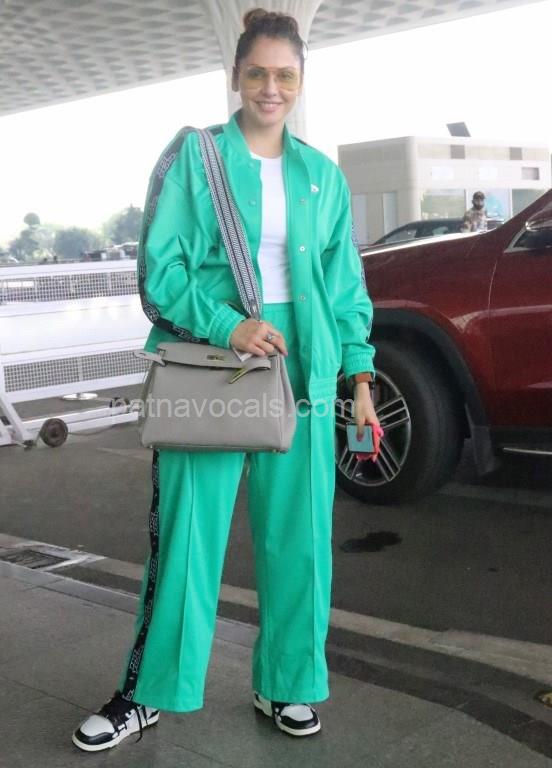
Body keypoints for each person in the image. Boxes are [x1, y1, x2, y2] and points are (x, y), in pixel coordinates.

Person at [72, 7, 379, 752]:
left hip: (305, 368)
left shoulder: (322, 177)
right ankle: (148, 693)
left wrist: (361, 377)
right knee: (187, 535)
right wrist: (227, 325)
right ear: (236, 76)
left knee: (301, 540)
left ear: (300, 81)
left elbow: (344, 287)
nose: (272, 88)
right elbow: (161, 268)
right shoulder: (197, 157)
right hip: (213, 366)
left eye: (286, 76)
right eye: (258, 73)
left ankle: (287, 683)